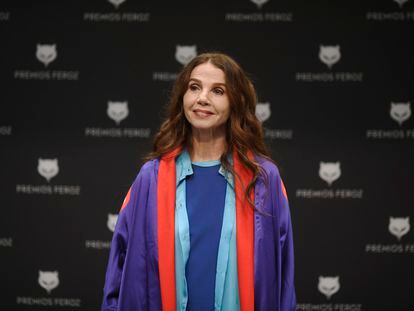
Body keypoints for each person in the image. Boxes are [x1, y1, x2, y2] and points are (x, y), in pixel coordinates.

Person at [101, 52, 296, 311]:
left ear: (235, 102)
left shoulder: (263, 179)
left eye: (218, 91)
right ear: (183, 97)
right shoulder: (152, 178)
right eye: (194, 87)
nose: (202, 98)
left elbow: (283, 275)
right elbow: (119, 266)